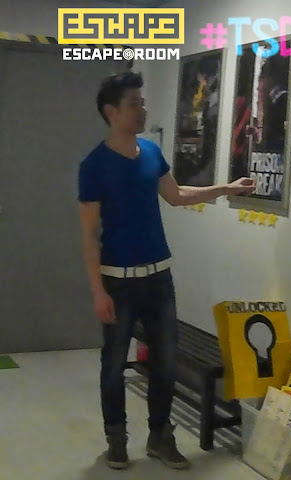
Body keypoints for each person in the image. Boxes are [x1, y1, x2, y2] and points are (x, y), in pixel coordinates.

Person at [77, 71, 255, 470]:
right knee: (113, 364)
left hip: (159, 279)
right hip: (118, 281)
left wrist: (224, 189)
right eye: (134, 104)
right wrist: (97, 290)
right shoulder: (94, 166)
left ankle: (160, 437)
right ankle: (117, 440)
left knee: (165, 363)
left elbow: (176, 195)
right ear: (112, 112)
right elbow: (89, 234)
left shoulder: (151, 153)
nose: (142, 109)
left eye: (143, 102)